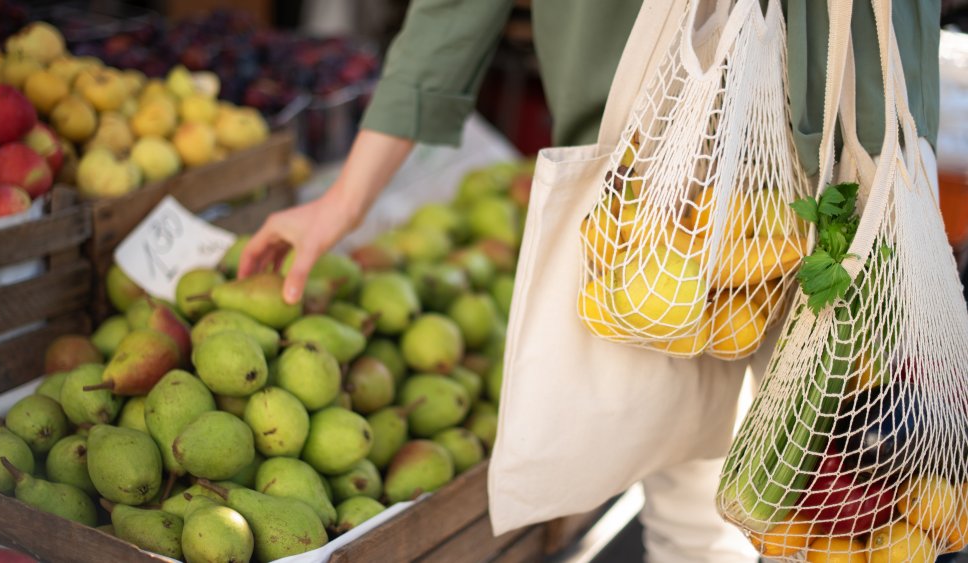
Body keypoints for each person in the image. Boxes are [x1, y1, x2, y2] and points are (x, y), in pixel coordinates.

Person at [238, 1, 941, 561]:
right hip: (663, 176)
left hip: (858, 156)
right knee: (697, 504)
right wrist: (346, 198)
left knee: (865, 494)